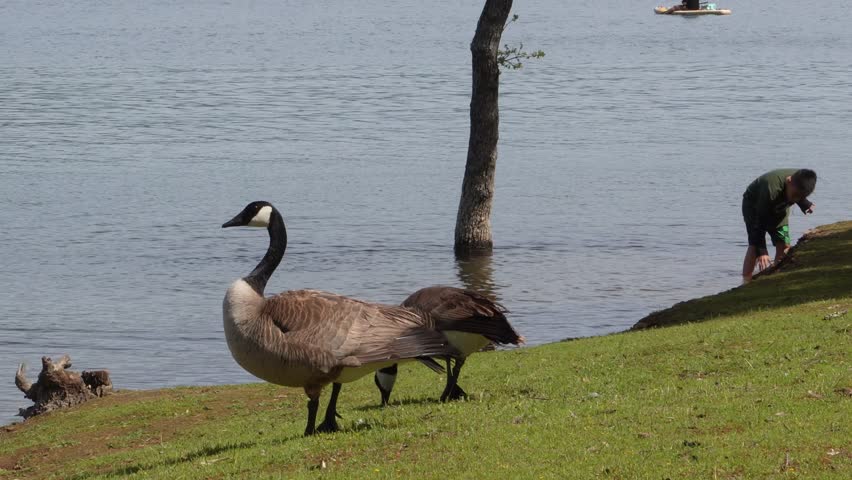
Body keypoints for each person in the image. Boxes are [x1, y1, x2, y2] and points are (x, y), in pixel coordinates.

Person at [741, 169, 817, 282]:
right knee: (754, 245)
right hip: (754, 207)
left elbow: (799, 193)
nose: (795, 199)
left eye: (800, 196)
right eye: (795, 195)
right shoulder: (771, 188)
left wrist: (804, 203)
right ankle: (746, 280)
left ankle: (775, 276)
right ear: (789, 181)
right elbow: (760, 221)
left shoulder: (802, 180)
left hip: (780, 205)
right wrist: (762, 251)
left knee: (784, 244)